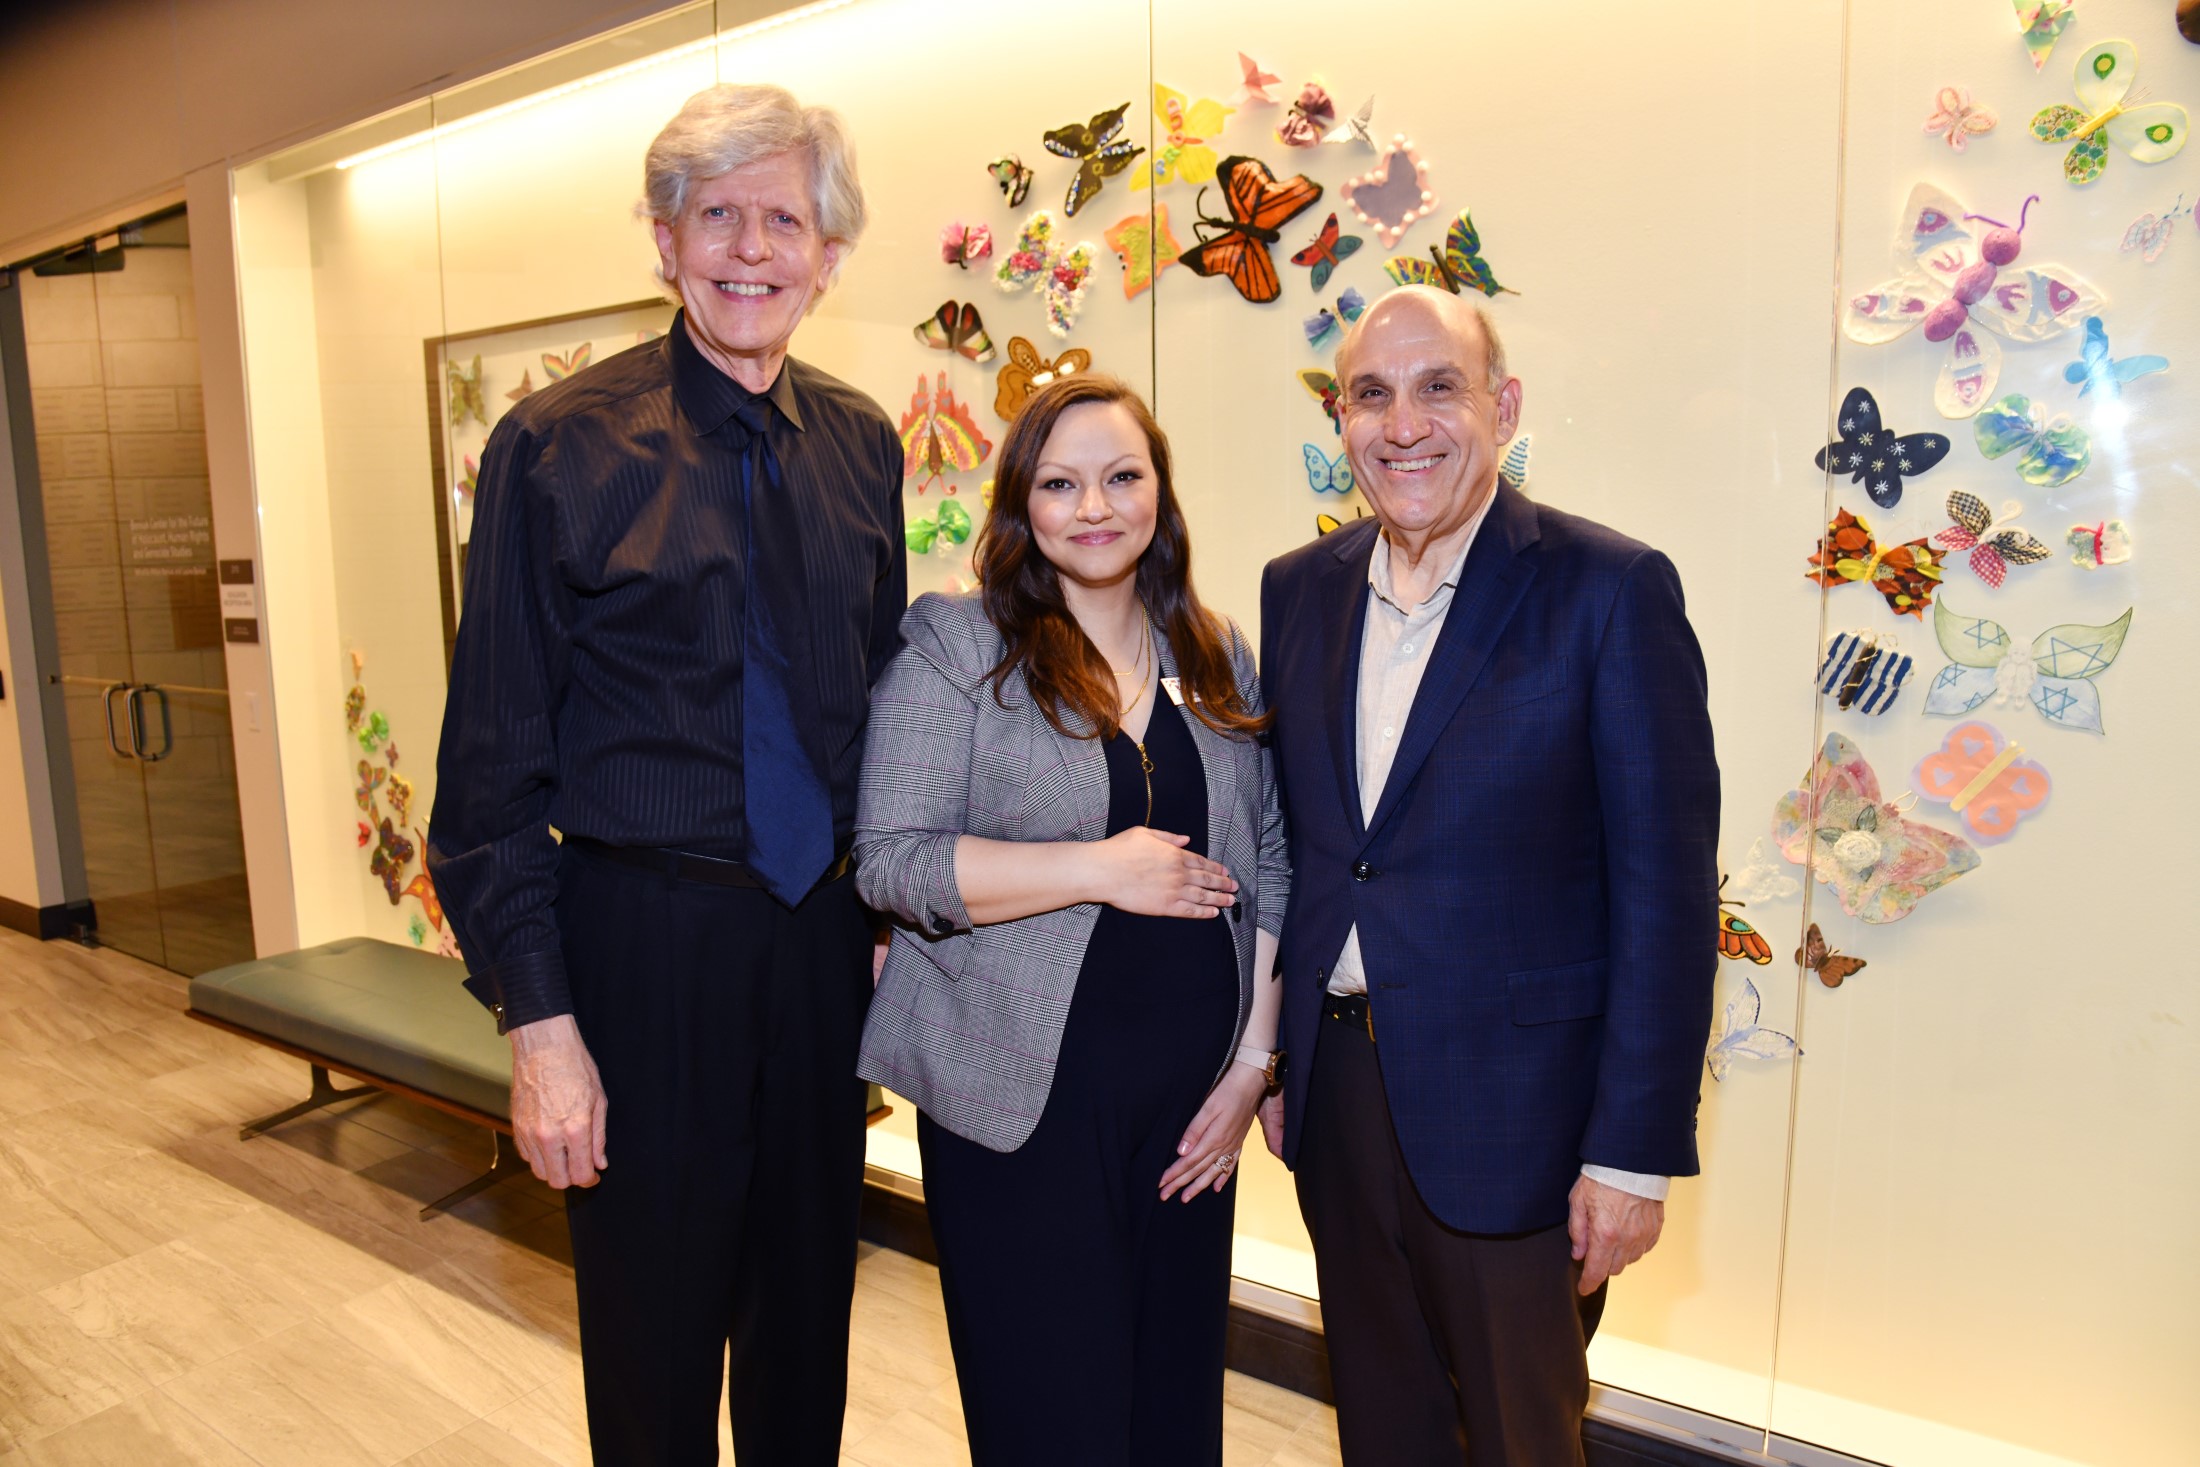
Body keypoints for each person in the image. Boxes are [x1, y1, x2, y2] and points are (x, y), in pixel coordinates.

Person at [426, 84, 904, 1466]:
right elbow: (491, 765)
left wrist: (879, 913)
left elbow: (876, 710)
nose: (750, 249)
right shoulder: (553, 446)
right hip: (638, 943)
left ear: (829, 254)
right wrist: (541, 1026)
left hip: (817, 942)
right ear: (662, 236)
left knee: (810, 1319)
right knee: (652, 1339)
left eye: (784, 219)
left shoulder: (864, 444)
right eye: (717, 214)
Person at [1255, 286, 1720, 1465]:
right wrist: (1270, 1056)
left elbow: (1665, 899)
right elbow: (1305, 849)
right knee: (1382, 1421)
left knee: (1521, 1439)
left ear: (1501, 407)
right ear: (1339, 419)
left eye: (1437, 387)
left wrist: (1628, 1154)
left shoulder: (1609, 590)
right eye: (1371, 395)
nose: (1402, 424)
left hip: (1526, 1122)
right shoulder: (1297, 592)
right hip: (1341, 1097)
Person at [854, 374, 1288, 1466]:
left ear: (1159, 494)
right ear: (1021, 505)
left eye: (1121, 477)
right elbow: (890, 862)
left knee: (1171, 1410)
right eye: (1060, 483)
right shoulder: (960, 650)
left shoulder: (1214, 652)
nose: (1094, 507)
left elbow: (1274, 859)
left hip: (1190, 1115)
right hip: (1018, 1111)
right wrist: (1097, 869)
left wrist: (1251, 1070)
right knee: (1053, 1416)